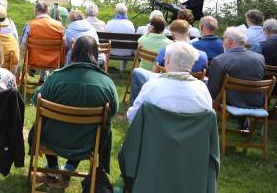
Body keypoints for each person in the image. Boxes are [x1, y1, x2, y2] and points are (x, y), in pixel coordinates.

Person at [27, 36, 118, 174]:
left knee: (43, 118)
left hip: (52, 138)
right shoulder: (107, 83)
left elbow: (35, 100)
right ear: (95, 55)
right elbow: (113, 110)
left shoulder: (55, 78)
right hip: (88, 142)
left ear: (73, 53)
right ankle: (70, 166)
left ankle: (52, 166)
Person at [127, 42, 212, 123]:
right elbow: (207, 120)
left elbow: (133, 117)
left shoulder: (151, 86)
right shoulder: (203, 89)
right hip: (192, 137)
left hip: (154, 136)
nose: (163, 58)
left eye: (165, 57)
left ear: (167, 61)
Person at [129, 20, 207, 105]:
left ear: (173, 35)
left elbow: (154, 73)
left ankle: (136, 105)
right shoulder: (203, 56)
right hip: (191, 93)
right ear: (189, 34)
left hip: (165, 89)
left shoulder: (165, 51)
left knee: (137, 72)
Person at [208, 26, 266, 109]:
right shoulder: (260, 58)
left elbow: (213, 89)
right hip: (256, 101)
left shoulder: (219, 60)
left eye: (223, 39)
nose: (222, 42)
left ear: (230, 41)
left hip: (231, 101)